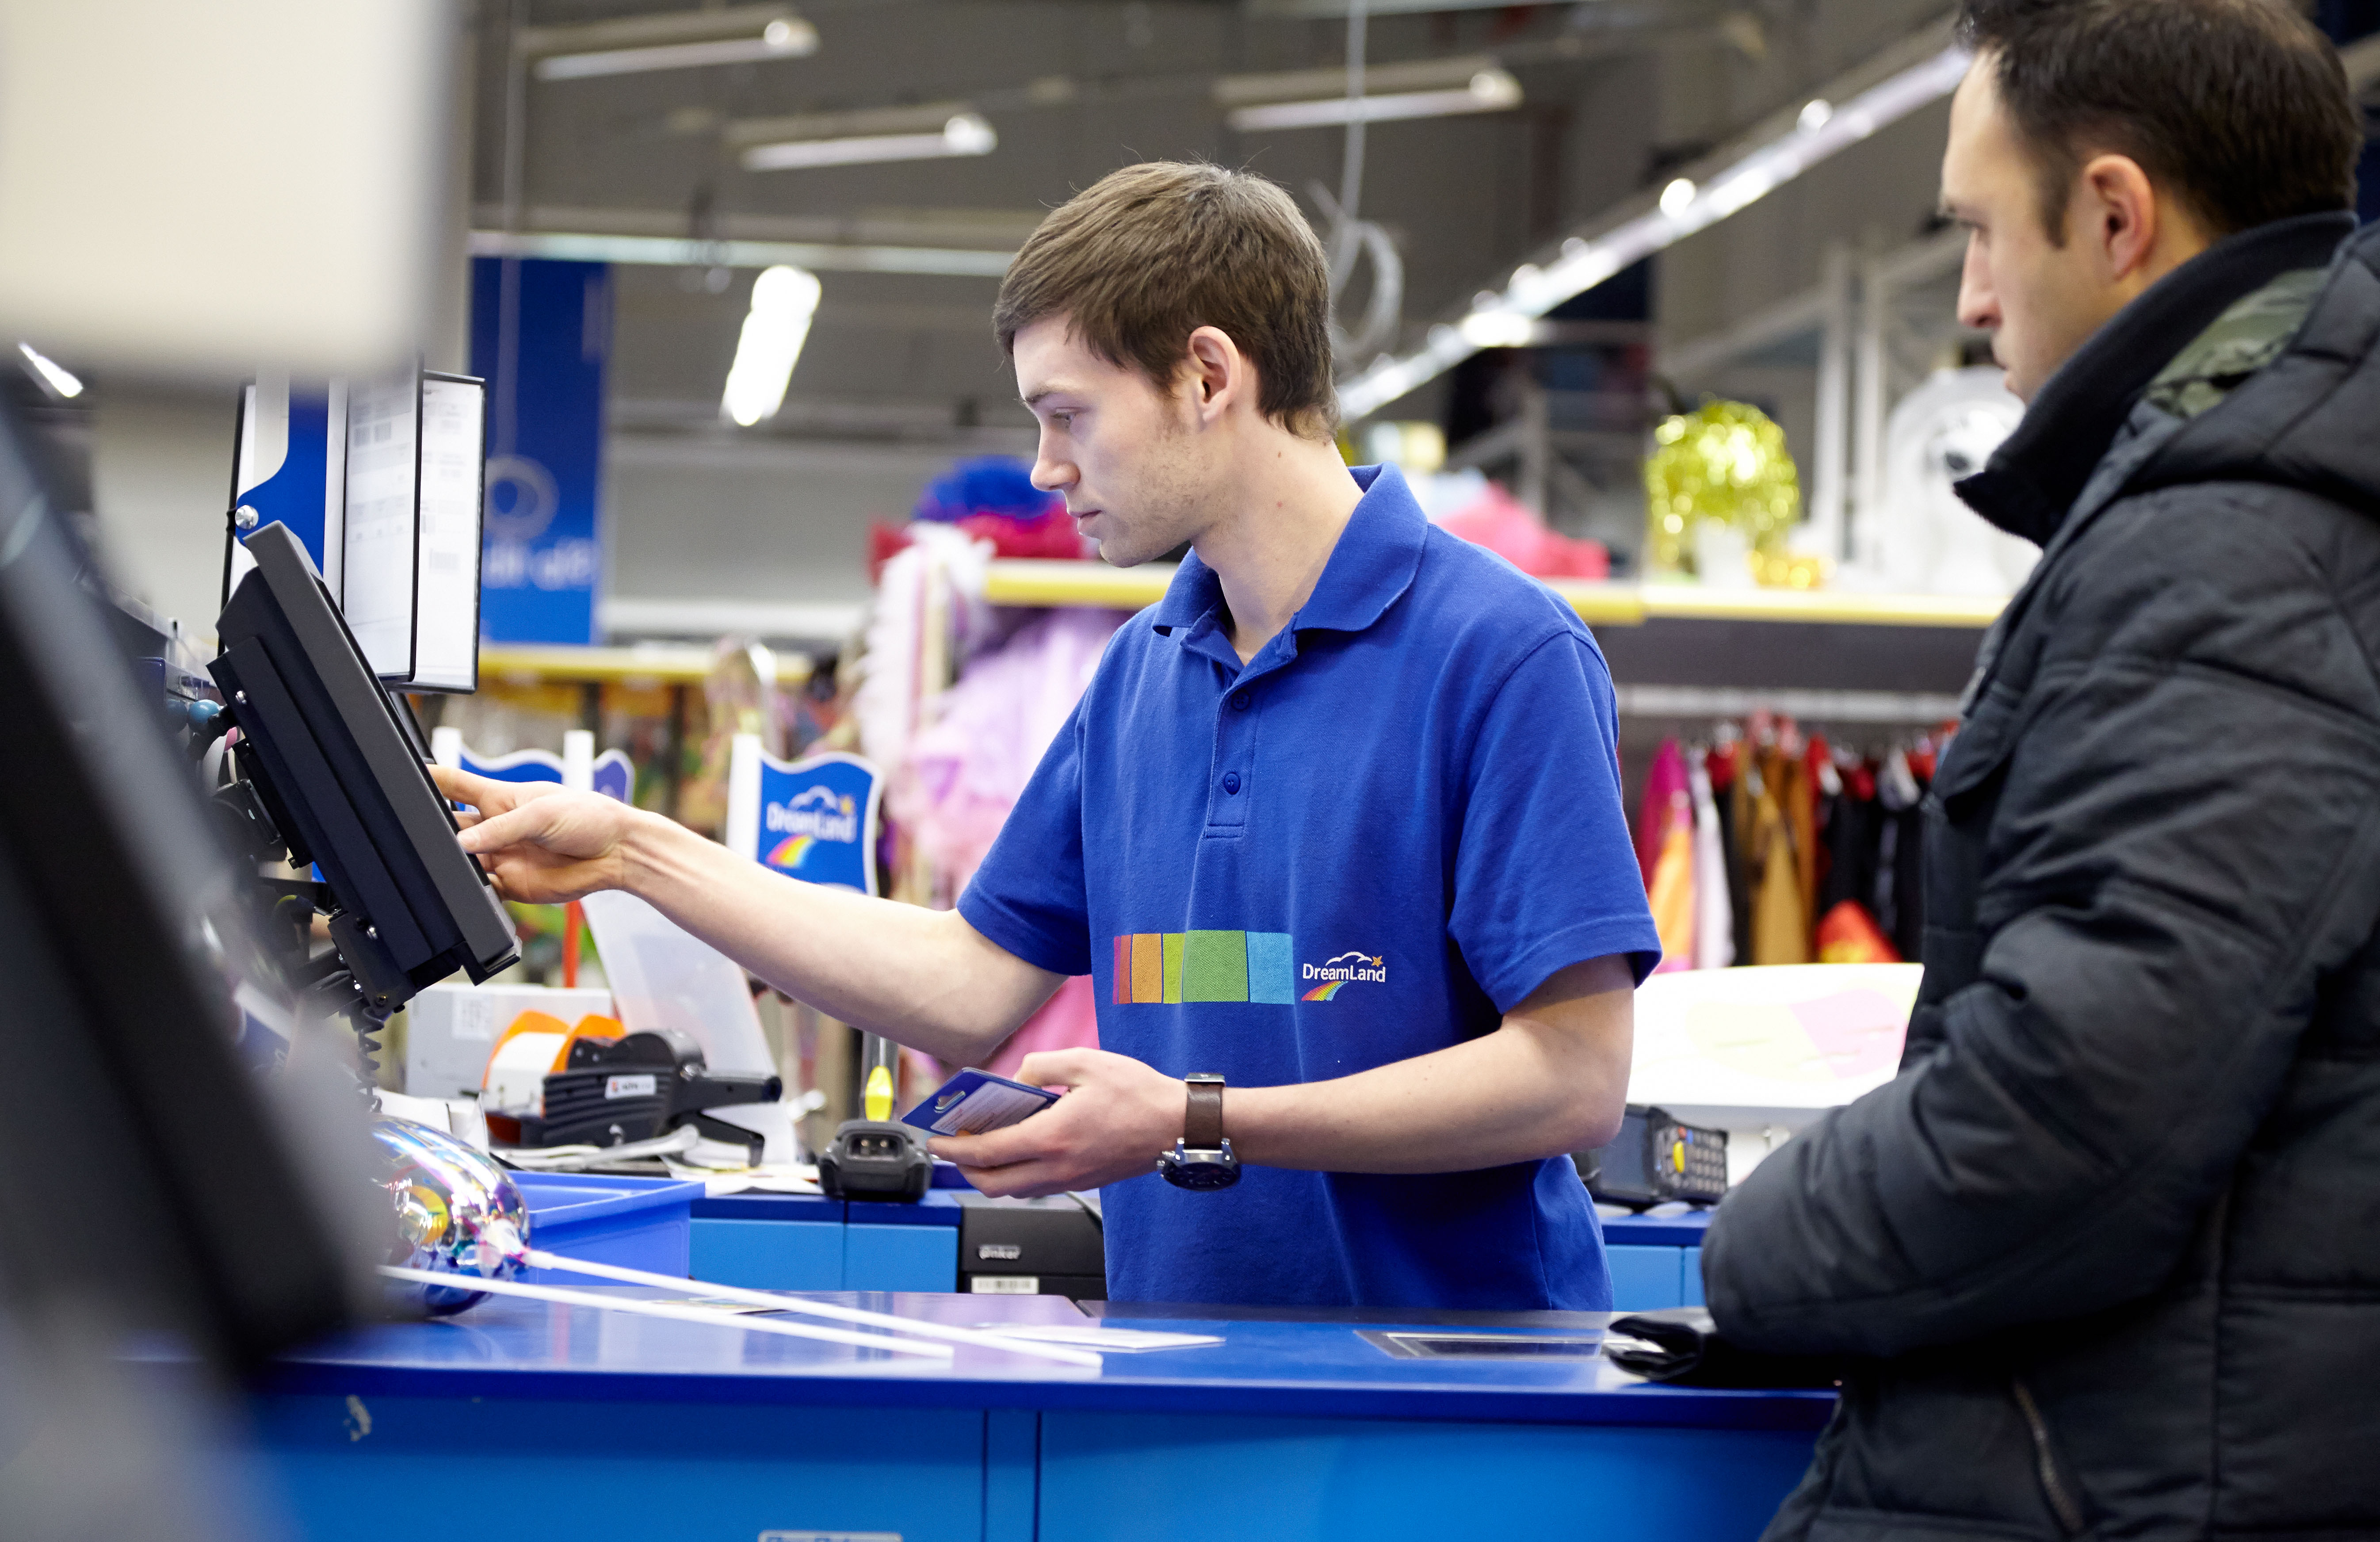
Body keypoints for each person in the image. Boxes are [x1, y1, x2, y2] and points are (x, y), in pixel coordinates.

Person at [437, 161, 1660, 1310]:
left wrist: (1195, 1118)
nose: (1044, 468)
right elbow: (968, 981)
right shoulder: (1144, 673)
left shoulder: (1503, 656)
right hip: (1175, 1369)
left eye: (1069, 415)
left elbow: (1574, 1076)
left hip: (1453, 1395)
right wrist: (635, 853)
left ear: (1209, 377)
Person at [1702, 0, 2380, 1535]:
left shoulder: (2229, 553)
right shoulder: (2286, 505)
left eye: (1981, 230)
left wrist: (1750, 1240)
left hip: (2128, 1474)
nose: (1969, 297)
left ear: (2117, 217)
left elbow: (2069, 1118)